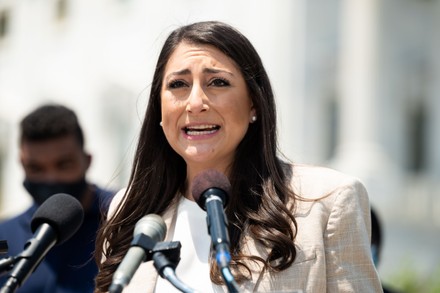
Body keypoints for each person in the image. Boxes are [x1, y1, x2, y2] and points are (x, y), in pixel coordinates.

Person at [95, 21, 383, 292]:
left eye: (217, 82)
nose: (195, 103)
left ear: (254, 104)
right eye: (178, 85)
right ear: (159, 108)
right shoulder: (127, 210)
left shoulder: (328, 201)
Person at [0, 104, 115, 292]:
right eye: (36, 168)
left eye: (63, 165)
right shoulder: (4, 237)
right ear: (22, 165)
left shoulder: (124, 219)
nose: (50, 178)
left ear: (87, 161)